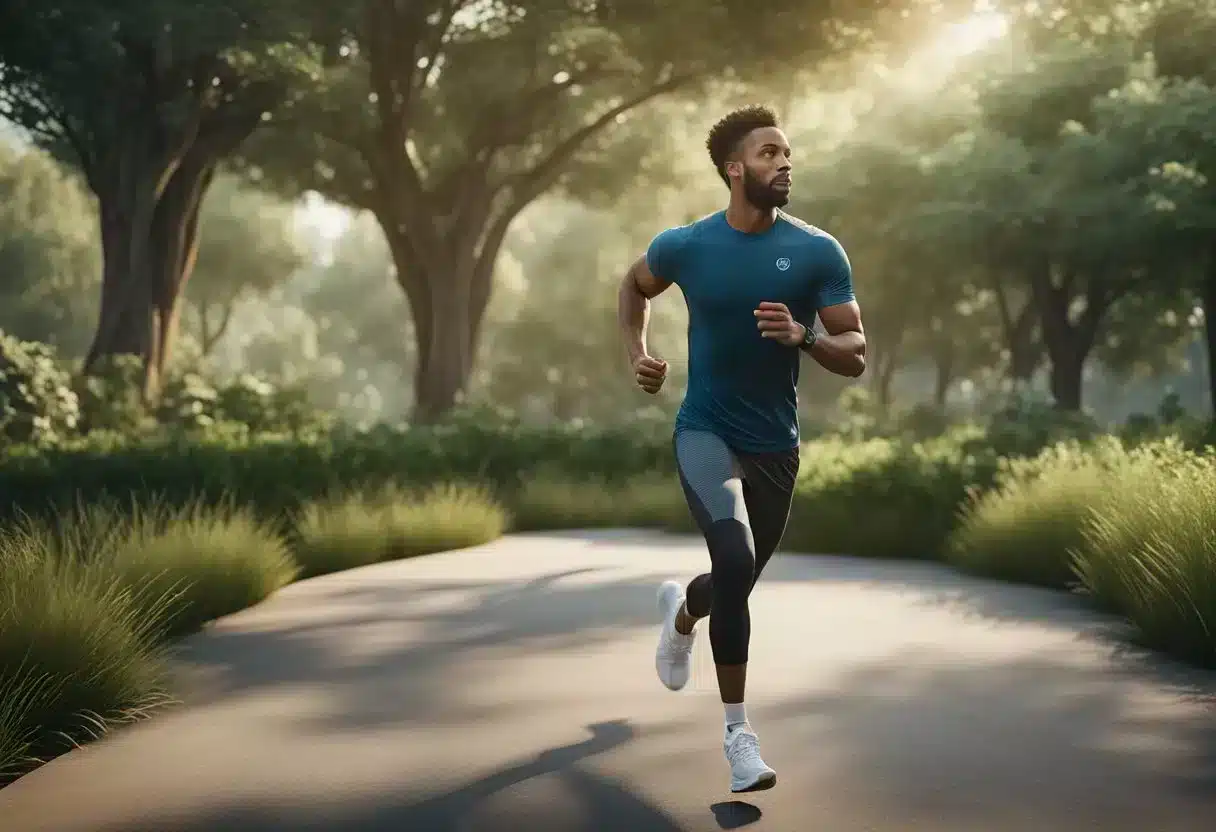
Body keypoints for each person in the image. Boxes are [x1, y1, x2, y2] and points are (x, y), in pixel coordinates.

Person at [615, 105, 866, 793]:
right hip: (705, 430)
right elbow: (634, 285)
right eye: (768, 153)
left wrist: (806, 338)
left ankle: (682, 615)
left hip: (775, 446)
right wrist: (638, 354)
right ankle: (738, 737)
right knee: (733, 558)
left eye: (787, 153)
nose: (784, 163)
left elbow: (856, 353)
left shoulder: (817, 251)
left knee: (734, 581)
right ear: (734, 169)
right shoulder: (686, 245)